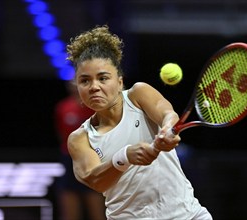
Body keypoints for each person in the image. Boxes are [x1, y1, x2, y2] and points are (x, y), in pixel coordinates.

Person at [66, 25, 213, 220]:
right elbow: (95, 180)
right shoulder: (79, 139)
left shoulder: (138, 95)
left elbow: (166, 112)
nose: (94, 87)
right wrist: (125, 156)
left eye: (103, 78)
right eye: (85, 81)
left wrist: (167, 130)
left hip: (188, 215)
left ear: (119, 82)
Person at [54, 82, 106, 220]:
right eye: (72, 82)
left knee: (97, 214)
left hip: (91, 160)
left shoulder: (95, 107)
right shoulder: (63, 107)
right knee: (70, 215)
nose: (74, 85)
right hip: (68, 161)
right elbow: (61, 135)